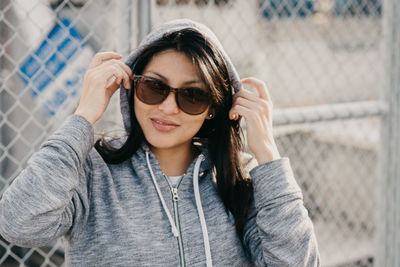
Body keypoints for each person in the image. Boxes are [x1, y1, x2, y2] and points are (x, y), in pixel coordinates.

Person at [0, 19, 320, 266]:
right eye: (154, 87)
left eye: (192, 95)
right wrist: (83, 117)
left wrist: (268, 156)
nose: (168, 108)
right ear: (131, 87)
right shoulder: (91, 174)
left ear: (213, 109)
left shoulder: (240, 180)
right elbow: (17, 224)